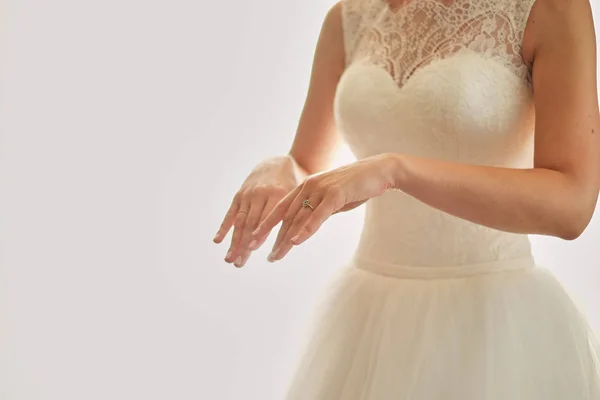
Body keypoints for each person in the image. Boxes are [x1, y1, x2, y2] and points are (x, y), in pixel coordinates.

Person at [213, 0, 600, 397]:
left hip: (494, 320)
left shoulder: (550, 8)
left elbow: (571, 204)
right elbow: (307, 164)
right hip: (368, 320)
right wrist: (279, 168)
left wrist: (394, 171)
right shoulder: (347, 17)